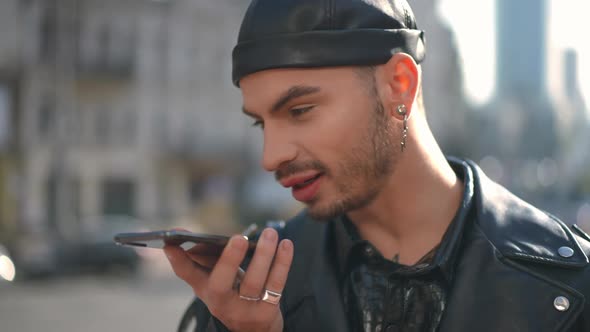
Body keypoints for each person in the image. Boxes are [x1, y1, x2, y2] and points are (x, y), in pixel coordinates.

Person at [164, 0, 590, 331]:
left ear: (398, 85)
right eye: (261, 123)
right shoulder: (248, 293)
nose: (271, 156)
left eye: (300, 110)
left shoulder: (570, 285)